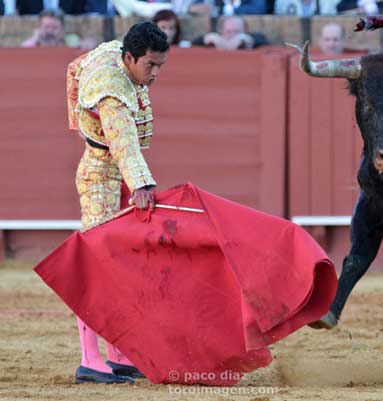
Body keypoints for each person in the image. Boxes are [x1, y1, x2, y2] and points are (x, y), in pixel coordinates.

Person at [66, 21, 169, 383]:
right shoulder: (111, 92)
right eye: (149, 66)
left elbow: (76, 67)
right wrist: (142, 184)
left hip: (113, 174)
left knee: (120, 264)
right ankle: (89, 359)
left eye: (160, 66)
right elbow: (124, 142)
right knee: (98, 268)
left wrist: (77, 116)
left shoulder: (113, 52)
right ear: (129, 57)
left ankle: (117, 352)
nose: (155, 73)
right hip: (101, 178)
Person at [192, 15, 267, 50]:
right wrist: (207, 38)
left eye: (237, 31)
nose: (232, 35)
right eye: (228, 31)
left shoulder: (254, 39)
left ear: (245, 31)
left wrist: (247, 40)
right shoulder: (216, 40)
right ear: (222, 32)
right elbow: (193, 43)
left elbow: (264, 42)